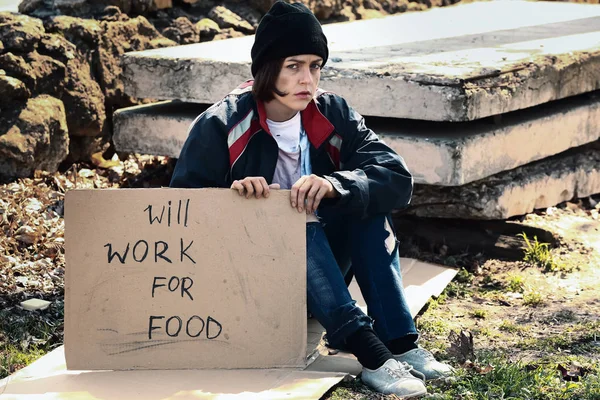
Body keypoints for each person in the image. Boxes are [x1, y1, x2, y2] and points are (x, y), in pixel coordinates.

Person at [170, 1, 453, 397]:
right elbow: (180, 215)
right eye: (294, 66)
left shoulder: (333, 113)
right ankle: (370, 355)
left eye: (315, 66)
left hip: (325, 276)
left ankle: (400, 345)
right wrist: (233, 200)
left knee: (367, 209)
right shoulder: (221, 125)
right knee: (290, 219)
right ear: (267, 69)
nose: (308, 79)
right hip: (252, 284)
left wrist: (338, 185)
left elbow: (396, 177)